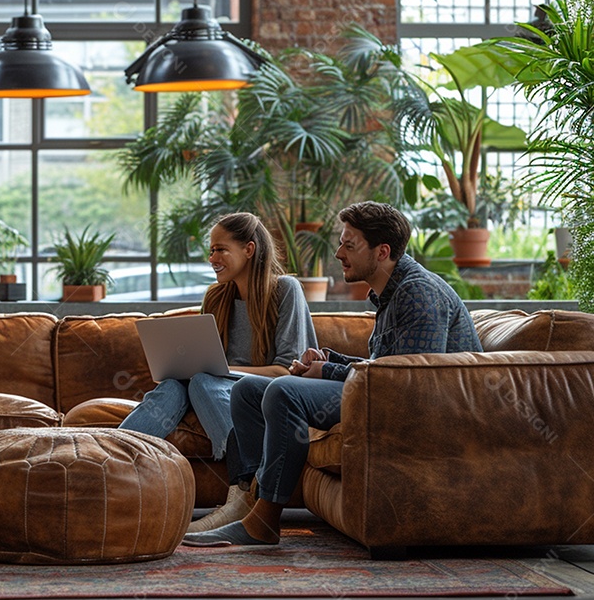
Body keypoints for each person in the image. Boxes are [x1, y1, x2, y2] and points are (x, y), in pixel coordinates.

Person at [183, 201, 483, 548]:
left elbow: (404, 380)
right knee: (248, 391)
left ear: (382, 252)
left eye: (349, 245)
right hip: (384, 394)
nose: (339, 253)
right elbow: (385, 363)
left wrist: (328, 370)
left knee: (284, 392)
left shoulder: (418, 293)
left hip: (422, 408)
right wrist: (329, 359)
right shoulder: (391, 293)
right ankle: (247, 501)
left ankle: (264, 521)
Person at [119, 212, 317, 533]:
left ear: (249, 249)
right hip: (214, 389)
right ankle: (110, 460)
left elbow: (286, 371)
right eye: (211, 250)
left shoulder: (286, 290)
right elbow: (205, 362)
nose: (212, 258)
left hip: (264, 393)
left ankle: (243, 489)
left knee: (202, 380)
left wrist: (219, 371)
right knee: (172, 386)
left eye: (221, 249)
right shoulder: (216, 296)